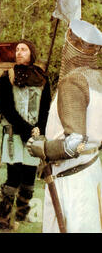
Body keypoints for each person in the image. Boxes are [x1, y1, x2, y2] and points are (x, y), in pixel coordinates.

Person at [27, 19, 102, 232]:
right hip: (90, 169)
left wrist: (43, 148)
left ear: (69, 44)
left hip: (73, 177)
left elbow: (75, 143)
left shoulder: (74, 81)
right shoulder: (98, 80)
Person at [0, 40, 51, 230]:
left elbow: (45, 108)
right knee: (14, 177)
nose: (18, 52)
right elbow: (7, 108)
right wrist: (26, 129)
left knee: (29, 178)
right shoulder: (6, 77)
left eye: (23, 49)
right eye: (17, 49)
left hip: (35, 134)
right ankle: (3, 218)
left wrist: (39, 128)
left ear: (31, 53)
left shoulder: (42, 78)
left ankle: (22, 215)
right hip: (13, 133)